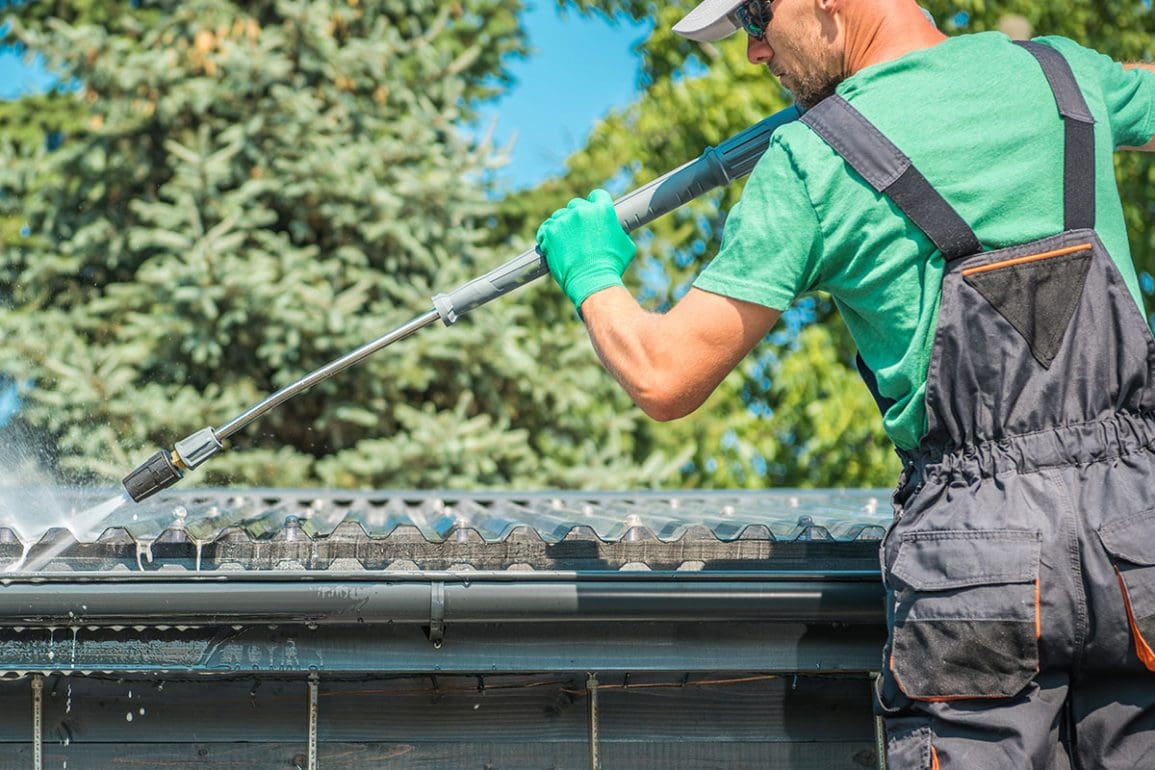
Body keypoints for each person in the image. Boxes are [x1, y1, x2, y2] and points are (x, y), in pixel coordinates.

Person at [534, 1, 1155, 767]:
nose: (755, 51)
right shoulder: (1063, 75)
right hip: (1139, 527)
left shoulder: (810, 161)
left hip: (979, 553)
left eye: (757, 18)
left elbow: (664, 374)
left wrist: (591, 272)